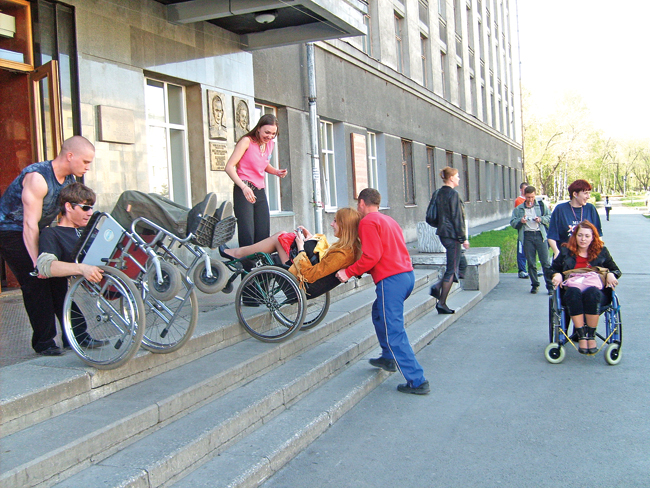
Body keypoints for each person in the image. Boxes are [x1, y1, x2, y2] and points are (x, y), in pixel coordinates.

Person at [0, 135, 94, 356]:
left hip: (40, 229)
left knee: (59, 281)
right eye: (85, 162)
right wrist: (37, 264)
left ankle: (76, 336)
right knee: (36, 283)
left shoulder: (70, 179)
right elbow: (28, 225)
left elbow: (67, 216)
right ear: (70, 156)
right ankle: (44, 342)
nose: (88, 167)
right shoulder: (38, 178)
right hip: (11, 231)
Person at [335, 188, 429, 395]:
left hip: (391, 281)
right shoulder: (389, 220)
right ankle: (388, 357)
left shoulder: (367, 222)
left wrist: (348, 272)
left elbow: (372, 256)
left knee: (394, 330)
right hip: (406, 276)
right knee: (379, 314)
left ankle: (417, 380)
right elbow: (384, 252)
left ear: (361, 203)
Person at [220, 207, 361, 297]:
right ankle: (242, 256)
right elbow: (324, 258)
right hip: (303, 273)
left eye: (335, 221)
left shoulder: (342, 254)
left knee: (280, 238)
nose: (331, 224)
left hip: (300, 279)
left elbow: (310, 275)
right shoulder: (347, 249)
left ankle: (238, 255)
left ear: (344, 226)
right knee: (283, 236)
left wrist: (301, 248)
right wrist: (311, 238)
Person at [36, 183, 107, 348]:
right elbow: (46, 266)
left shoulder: (91, 231)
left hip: (107, 275)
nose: (90, 213)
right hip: (79, 274)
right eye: (85, 208)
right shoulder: (52, 233)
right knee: (53, 287)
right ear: (68, 207)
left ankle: (77, 335)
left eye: (91, 208)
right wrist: (82, 268)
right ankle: (72, 335)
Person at [550, 220, 621, 354]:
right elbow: (552, 269)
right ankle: (582, 335)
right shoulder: (566, 251)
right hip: (572, 292)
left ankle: (591, 335)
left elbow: (616, 270)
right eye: (580, 235)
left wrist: (612, 274)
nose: (583, 239)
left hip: (597, 292)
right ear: (575, 236)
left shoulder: (602, 251)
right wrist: (557, 274)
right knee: (573, 292)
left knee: (591, 293)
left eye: (587, 236)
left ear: (593, 237)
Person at [225, 114, 287, 247]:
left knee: (263, 230)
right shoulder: (246, 141)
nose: (269, 136)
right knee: (247, 232)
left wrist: (276, 171)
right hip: (244, 189)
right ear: (258, 128)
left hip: (259, 190)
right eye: (267, 132)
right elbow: (229, 167)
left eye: (273, 133)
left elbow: (263, 164)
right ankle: (248, 266)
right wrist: (243, 187)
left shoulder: (269, 144)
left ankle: (261, 266)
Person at [428, 167, 469, 314]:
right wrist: (463, 238)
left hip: (444, 234)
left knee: (462, 264)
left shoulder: (437, 193)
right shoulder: (454, 195)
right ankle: (442, 303)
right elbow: (457, 218)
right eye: (457, 176)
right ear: (451, 178)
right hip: (453, 236)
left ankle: (438, 286)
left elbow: (431, 216)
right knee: (452, 269)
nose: (458, 178)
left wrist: (440, 226)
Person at [510, 186, 553, 295]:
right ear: (524, 196)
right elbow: (513, 222)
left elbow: (549, 216)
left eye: (532, 197)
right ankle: (535, 284)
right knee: (531, 263)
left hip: (540, 235)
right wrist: (521, 221)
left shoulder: (541, 206)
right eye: (528, 197)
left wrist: (541, 219)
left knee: (545, 262)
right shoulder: (519, 209)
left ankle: (550, 286)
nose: (530, 200)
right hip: (527, 236)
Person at [547, 179, 602, 258]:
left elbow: (598, 234)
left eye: (589, 193)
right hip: (566, 256)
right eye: (585, 193)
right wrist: (556, 252)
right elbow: (551, 236)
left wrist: (598, 251)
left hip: (587, 255)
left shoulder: (590, 208)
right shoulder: (560, 209)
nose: (588, 197)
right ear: (575, 194)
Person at [515, 182, 529, 279]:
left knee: (530, 250)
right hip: (522, 228)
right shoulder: (519, 201)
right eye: (525, 189)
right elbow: (522, 212)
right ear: (521, 190)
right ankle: (522, 270)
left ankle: (530, 269)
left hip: (531, 229)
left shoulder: (531, 200)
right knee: (521, 249)